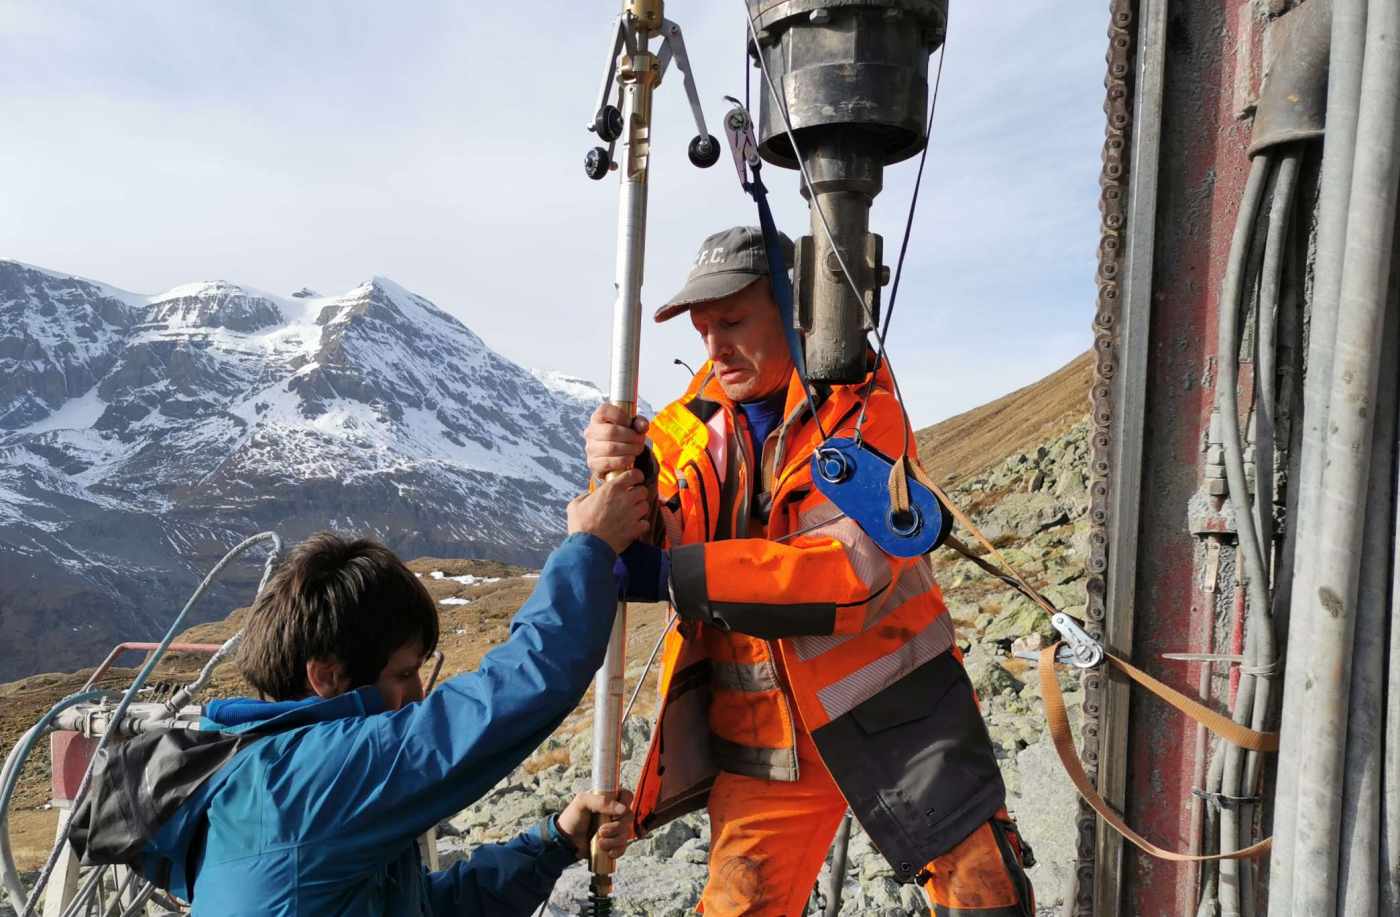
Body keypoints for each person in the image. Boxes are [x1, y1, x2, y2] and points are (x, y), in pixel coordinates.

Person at [589, 227, 1035, 916]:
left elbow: (845, 575)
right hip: (765, 741)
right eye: (704, 328)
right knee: (738, 903)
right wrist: (628, 476)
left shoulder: (861, 408)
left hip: (896, 717)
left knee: (984, 897)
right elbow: (671, 524)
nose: (714, 347)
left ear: (795, 310)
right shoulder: (688, 424)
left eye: (732, 322)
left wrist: (671, 574)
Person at [72, 472, 651, 916]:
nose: (419, 695)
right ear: (327, 676)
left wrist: (551, 843)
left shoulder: (264, 780)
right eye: (403, 674)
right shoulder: (307, 776)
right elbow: (520, 689)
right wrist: (591, 547)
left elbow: (420, 909)